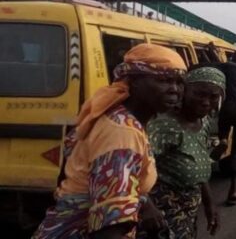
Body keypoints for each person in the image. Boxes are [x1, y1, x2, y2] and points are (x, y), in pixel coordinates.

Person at [33, 44, 187, 239]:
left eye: (179, 82)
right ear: (135, 82)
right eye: (164, 80)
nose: (174, 89)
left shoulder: (118, 116)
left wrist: (144, 203)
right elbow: (111, 225)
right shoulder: (122, 132)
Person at [146, 67, 224, 238]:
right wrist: (147, 207)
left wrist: (210, 204)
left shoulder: (203, 122)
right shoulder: (164, 127)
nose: (206, 102)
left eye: (213, 96)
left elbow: (198, 164)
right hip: (161, 213)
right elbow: (133, 171)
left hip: (187, 211)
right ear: (184, 91)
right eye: (199, 94)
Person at [202, 48, 236, 206]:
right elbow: (221, 64)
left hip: (229, 108)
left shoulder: (229, 67)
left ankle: (223, 139)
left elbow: (211, 65)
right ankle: (234, 190)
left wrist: (208, 51)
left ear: (234, 58)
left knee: (223, 130)